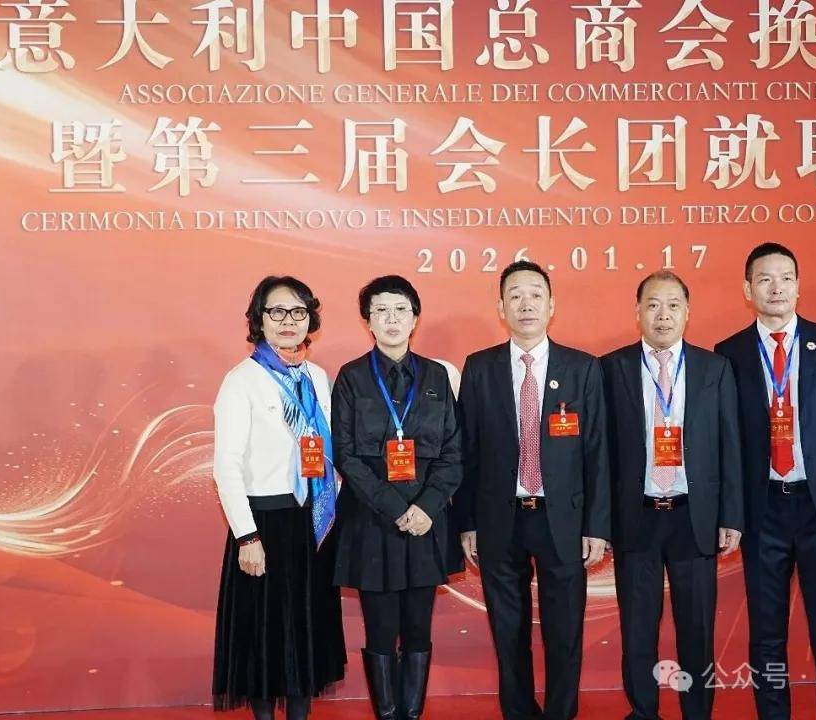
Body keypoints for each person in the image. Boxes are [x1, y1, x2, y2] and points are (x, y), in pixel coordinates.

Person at [715, 243, 816, 720]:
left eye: (785, 278)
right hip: (763, 510)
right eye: (765, 279)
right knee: (766, 634)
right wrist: (729, 513)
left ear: (799, 286)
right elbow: (726, 444)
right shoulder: (729, 354)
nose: (776, 288)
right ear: (748, 290)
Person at [455, 260, 611, 720]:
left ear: (552, 305)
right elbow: (467, 451)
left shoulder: (581, 368)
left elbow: (598, 452)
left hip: (562, 518)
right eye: (516, 296)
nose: (526, 304)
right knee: (509, 631)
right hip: (499, 518)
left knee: (564, 631)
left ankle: (561, 712)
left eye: (536, 295)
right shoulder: (479, 368)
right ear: (501, 307)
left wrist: (596, 525)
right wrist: (467, 522)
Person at [601, 271, 743, 720]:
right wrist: (600, 525)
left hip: (693, 517)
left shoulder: (714, 368)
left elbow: (730, 445)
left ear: (687, 312)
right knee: (637, 630)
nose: (663, 315)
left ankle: (697, 712)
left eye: (673, 305)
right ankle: (643, 711)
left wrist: (731, 515)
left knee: (697, 631)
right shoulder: (610, 368)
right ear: (637, 312)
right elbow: (599, 455)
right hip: (636, 517)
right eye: (653, 305)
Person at [211, 276, 346, 720]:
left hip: (312, 520)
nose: (289, 321)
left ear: (310, 320)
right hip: (264, 524)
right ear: (260, 319)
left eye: (299, 312)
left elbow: (327, 450)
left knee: (306, 633)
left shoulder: (317, 377)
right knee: (264, 638)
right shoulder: (242, 381)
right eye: (277, 311)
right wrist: (247, 536)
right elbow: (226, 466)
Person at [331, 275, 462, 720]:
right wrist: (396, 508)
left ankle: (412, 713)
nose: (391, 319)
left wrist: (425, 508)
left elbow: (453, 452)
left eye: (400, 309)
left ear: (415, 318)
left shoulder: (437, 376)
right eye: (381, 310)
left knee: (419, 629)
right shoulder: (351, 377)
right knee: (382, 630)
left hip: (425, 523)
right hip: (373, 523)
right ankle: (388, 714)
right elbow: (345, 455)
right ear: (367, 321)